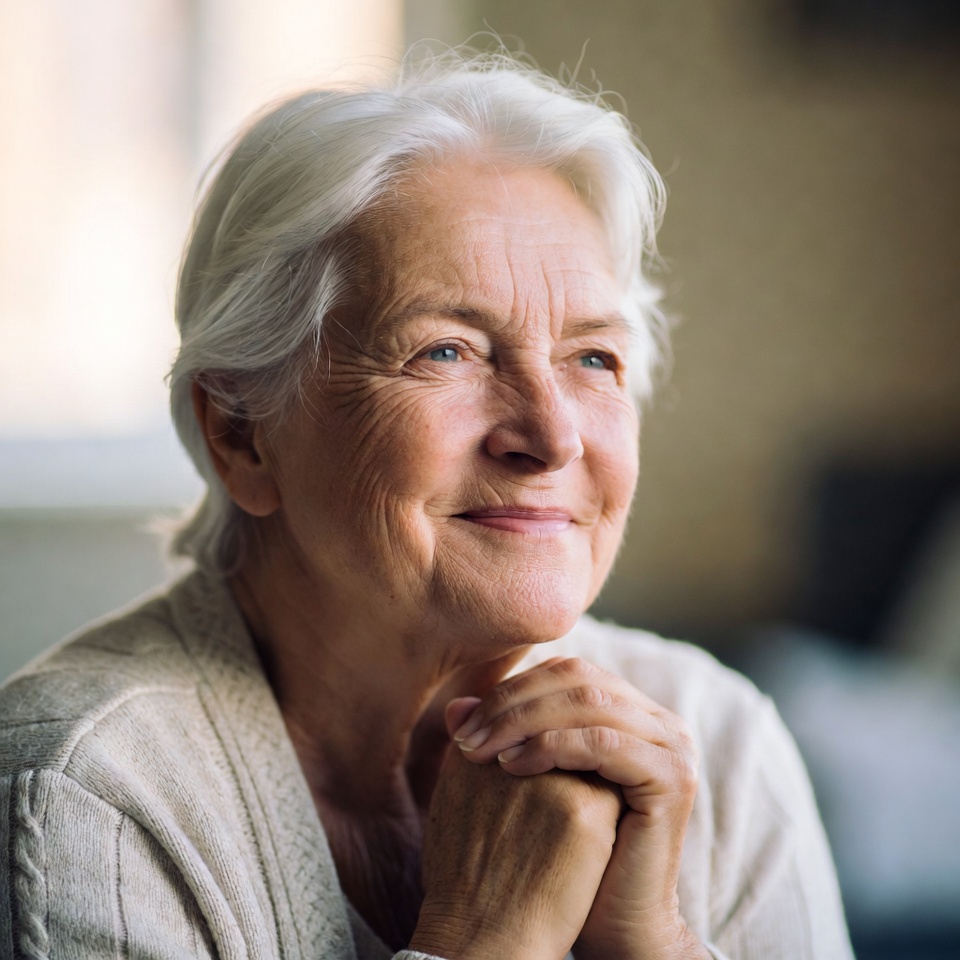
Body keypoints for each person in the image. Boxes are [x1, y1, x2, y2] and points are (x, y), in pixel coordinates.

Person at [0, 47, 853, 959]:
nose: (553, 436)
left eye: (592, 358)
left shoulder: (718, 739)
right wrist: (488, 940)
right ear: (241, 433)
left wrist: (655, 944)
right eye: (447, 351)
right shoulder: (78, 795)